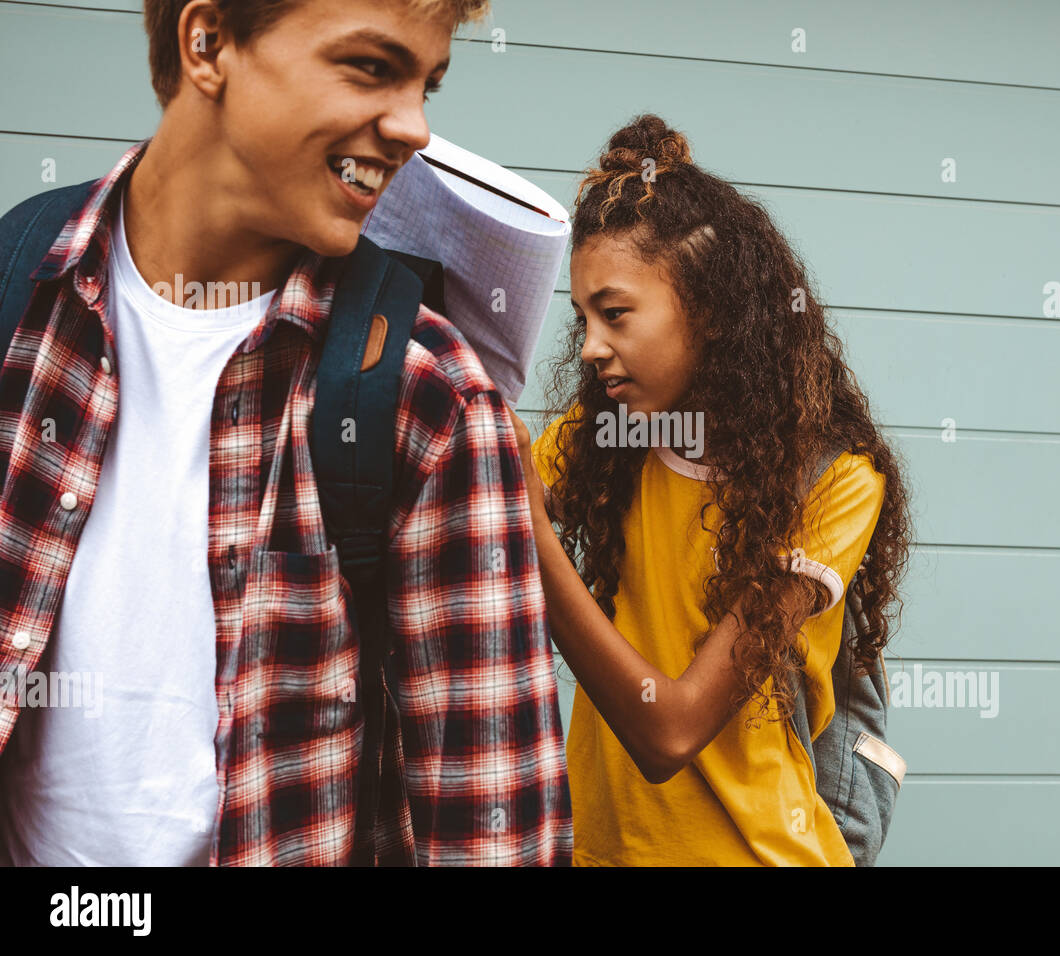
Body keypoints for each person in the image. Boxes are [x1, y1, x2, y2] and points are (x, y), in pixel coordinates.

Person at [0, 0, 571, 866]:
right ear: (208, 43)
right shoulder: (18, 297)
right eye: (372, 68)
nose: (414, 127)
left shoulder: (430, 398)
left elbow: (497, 838)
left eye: (427, 84)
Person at [508, 114, 913, 866]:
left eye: (617, 313)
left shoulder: (835, 481)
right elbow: (473, 502)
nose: (591, 346)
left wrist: (527, 534)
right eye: (583, 318)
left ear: (712, 310)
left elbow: (673, 729)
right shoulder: (605, 440)